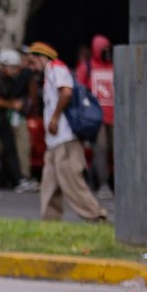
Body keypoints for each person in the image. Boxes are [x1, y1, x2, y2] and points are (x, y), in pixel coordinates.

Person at [27, 42, 108, 222]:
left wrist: (55, 118)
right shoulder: (49, 73)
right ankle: (50, 220)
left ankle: (96, 215)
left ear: (42, 58)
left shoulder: (57, 69)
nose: (32, 67)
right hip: (55, 141)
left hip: (65, 138)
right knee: (50, 183)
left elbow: (66, 93)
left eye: (33, 62)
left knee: (72, 182)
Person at [0, 49, 38, 193]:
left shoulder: (9, 79)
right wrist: (11, 105)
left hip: (1, 118)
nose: (14, 71)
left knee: (10, 147)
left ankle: (19, 179)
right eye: (11, 67)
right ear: (3, 66)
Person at [77, 34, 114, 199]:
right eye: (103, 49)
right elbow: (78, 89)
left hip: (114, 116)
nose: (107, 52)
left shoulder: (114, 66)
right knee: (101, 149)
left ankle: (93, 176)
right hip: (96, 117)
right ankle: (103, 184)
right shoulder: (87, 67)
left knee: (114, 150)